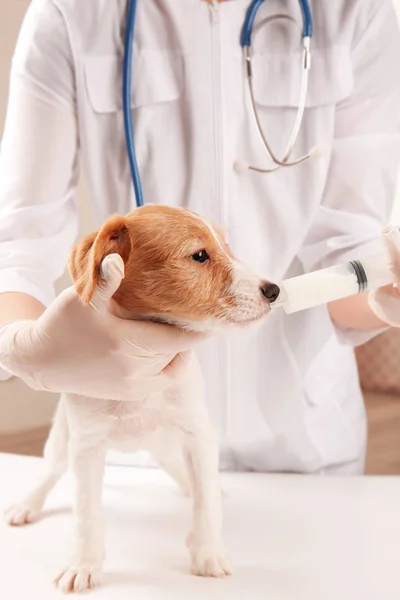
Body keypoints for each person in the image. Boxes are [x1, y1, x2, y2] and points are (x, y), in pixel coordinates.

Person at [1, 0, 400, 475]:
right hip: (140, 449)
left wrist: (386, 293)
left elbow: (351, 256)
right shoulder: (71, 13)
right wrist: (19, 345)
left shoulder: (360, 11)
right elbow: (17, 238)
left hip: (305, 453)